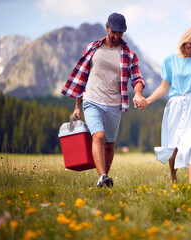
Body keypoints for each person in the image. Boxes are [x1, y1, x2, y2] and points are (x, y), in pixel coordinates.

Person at [62, 12, 146, 188]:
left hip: (114, 105)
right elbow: (81, 78)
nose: (116, 36)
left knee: (109, 145)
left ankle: (104, 178)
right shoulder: (93, 48)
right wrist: (77, 106)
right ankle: (102, 177)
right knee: (98, 136)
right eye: (114, 31)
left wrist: (137, 94)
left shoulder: (129, 55)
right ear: (107, 28)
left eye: (120, 33)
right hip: (92, 100)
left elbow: (137, 79)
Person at [140, 27, 191, 183]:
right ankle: (174, 179)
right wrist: (147, 100)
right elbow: (163, 87)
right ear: (185, 40)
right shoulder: (169, 60)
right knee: (174, 147)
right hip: (176, 107)